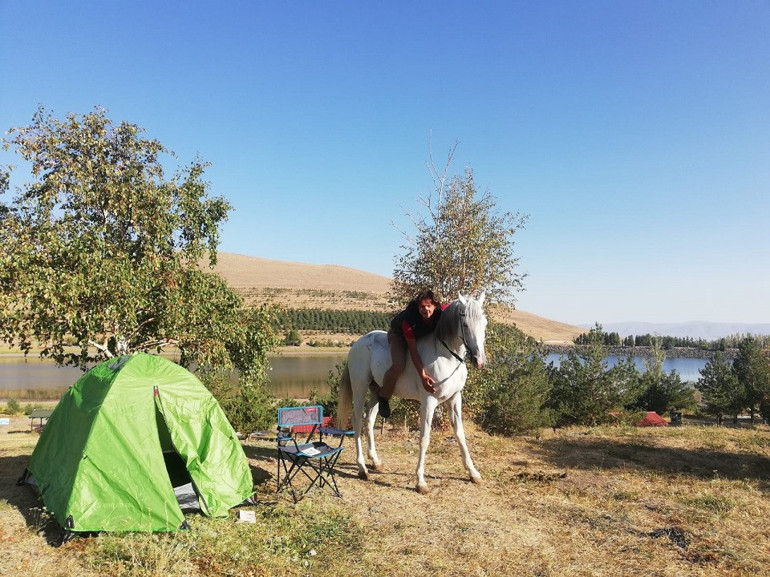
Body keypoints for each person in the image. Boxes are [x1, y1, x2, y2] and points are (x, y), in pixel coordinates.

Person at [378, 289, 447, 418]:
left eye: (429, 306)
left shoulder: (441, 310)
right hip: (399, 335)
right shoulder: (408, 321)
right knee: (399, 365)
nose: (426, 309)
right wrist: (423, 376)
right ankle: (383, 396)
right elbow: (413, 350)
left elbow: (453, 306)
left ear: (435, 306)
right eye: (422, 306)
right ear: (417, 307)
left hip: (421, 335)